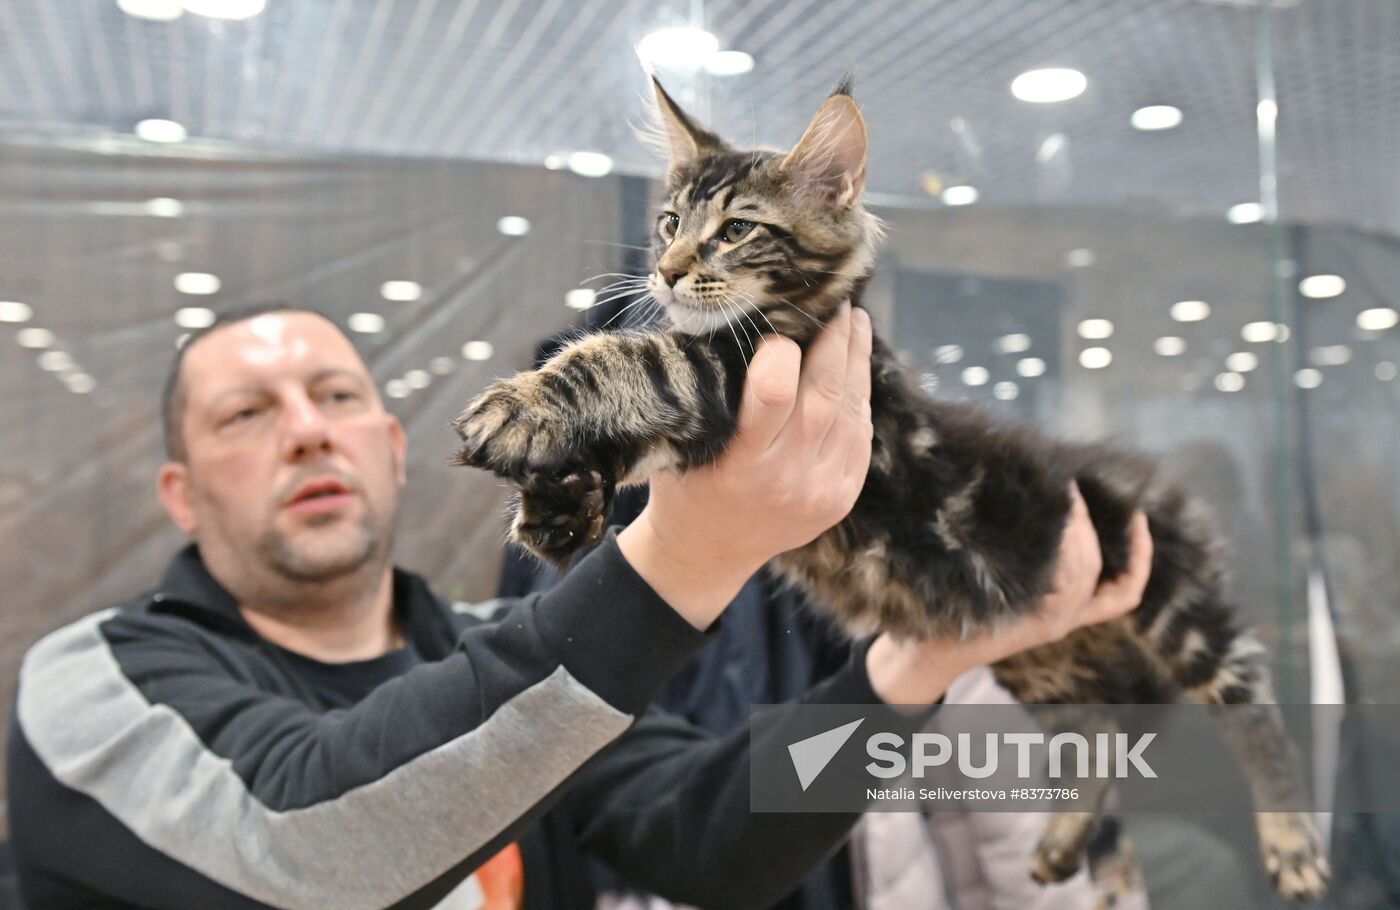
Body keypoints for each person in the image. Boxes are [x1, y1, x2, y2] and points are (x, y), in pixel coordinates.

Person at [7, 304, 1152, 909]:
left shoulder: (481, 652)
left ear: (394, 450)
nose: (306, 427)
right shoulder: (93, 682)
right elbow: (312, 845)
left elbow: (713, 836)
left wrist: (909, 667)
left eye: (337, 396)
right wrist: (679, 552)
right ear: (180, 492)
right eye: (245, 414)